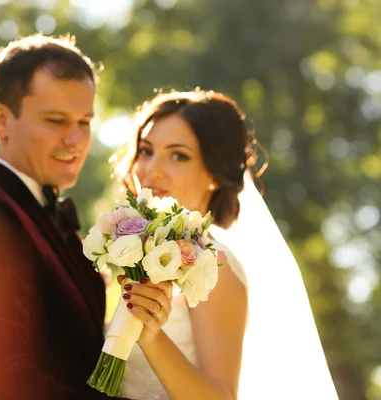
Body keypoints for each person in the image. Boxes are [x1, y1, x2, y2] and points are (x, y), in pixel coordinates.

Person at [0, 34, 168, 399]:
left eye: (84, 122)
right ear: (1, 119)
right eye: (56, 121)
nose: (75, 139)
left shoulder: (57, 224)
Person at [111, 89, 338, 399]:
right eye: (147, 151)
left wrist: (151, 336)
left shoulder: (215, 267)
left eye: (179, 155)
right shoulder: (131, 250)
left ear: (215, 173)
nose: (153, 170)